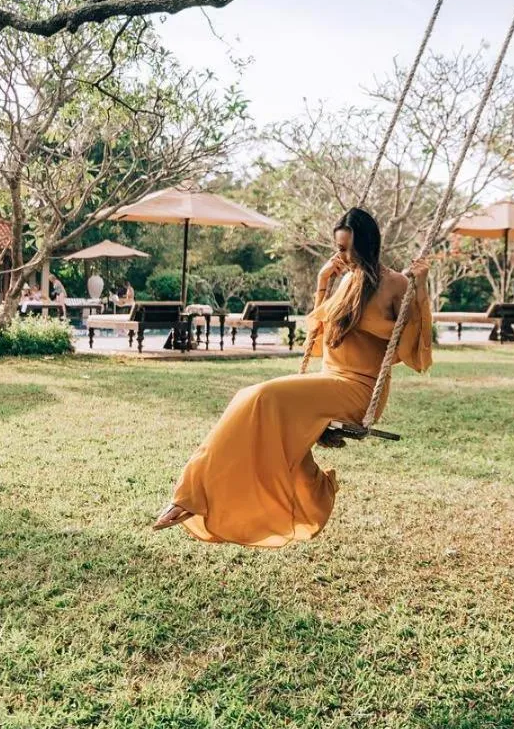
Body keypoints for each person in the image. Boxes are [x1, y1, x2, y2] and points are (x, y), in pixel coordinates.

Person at [152, 207, 432, 546]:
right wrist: (323, 281)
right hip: (331, 379)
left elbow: (410, 352)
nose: (341, 255)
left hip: (359, 389)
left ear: (367, 243)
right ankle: (202, 493)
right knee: (249, 398)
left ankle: (190, 496)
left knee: (261, 396)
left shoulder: (396, 284)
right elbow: (318, 333)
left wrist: (421, 289)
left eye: (346, 248)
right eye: (338, 247)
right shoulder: (346, 282)